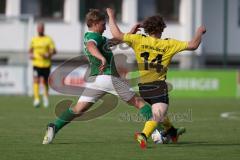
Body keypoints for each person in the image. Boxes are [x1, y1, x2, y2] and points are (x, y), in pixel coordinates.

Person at [42, 9, 158, 149]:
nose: (105, 27)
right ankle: (157, 133)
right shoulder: (94, 38)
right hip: (110, 78)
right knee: (140, 103)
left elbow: (113, 42)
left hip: (96, 81)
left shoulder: (92, 36)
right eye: (103, 24)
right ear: (95, 23)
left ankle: (54, 126)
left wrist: (130, 33)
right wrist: (101, 57)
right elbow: (91, 46)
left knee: (78, 109)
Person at [106, 8, 206, 146]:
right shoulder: (169, 44)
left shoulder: (138, 39)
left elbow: (116, 34)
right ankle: (144, 135)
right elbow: (194, 45)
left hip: (144, 88)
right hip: (158, 86)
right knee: (158, 114)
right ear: (162, 29)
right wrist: (199, 32)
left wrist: (111, 15)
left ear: (146, 29)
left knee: (160, 112)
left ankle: (172, 132)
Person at [29, 22, 57, 108]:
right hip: (36, 64)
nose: (40, 29)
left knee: (45, 82)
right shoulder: (33, 39)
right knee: (36, 80)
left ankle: (45, 97)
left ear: (43, 29)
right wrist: (31, 55)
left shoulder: (48, 39)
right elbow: (30, 50)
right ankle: (37, 99)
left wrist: (48, 54)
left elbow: (54, 51)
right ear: (37, 29)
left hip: (46, 64)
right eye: (38, 28)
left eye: (41, 28)